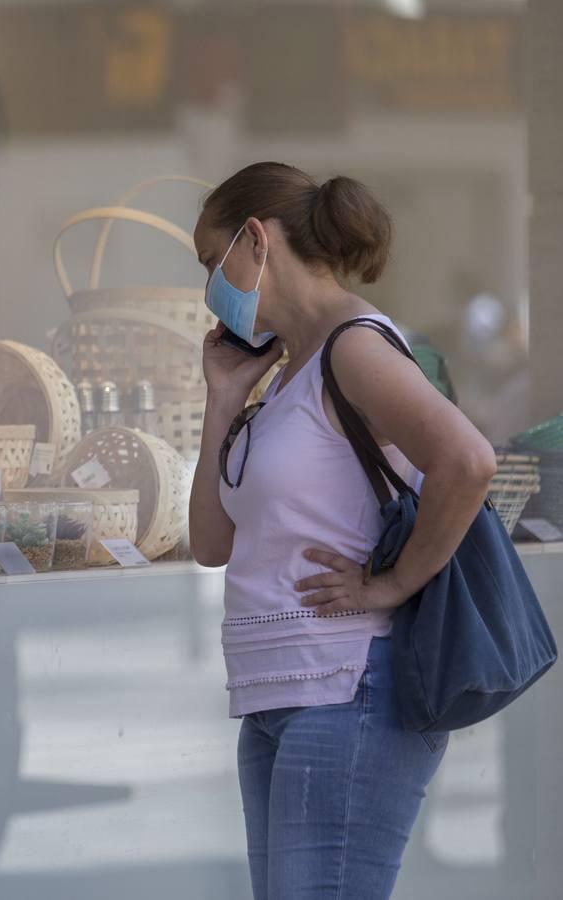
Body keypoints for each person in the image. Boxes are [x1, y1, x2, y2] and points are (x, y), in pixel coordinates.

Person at [188, 162, 497, 900]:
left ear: (256, 241)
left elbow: (469, 460)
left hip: (350, 690)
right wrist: (225, 399)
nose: (207, 285)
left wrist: (391, 583)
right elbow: (210, 543)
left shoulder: (354, 348)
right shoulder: (290, 373)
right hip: (277, 697)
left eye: (211, 261)